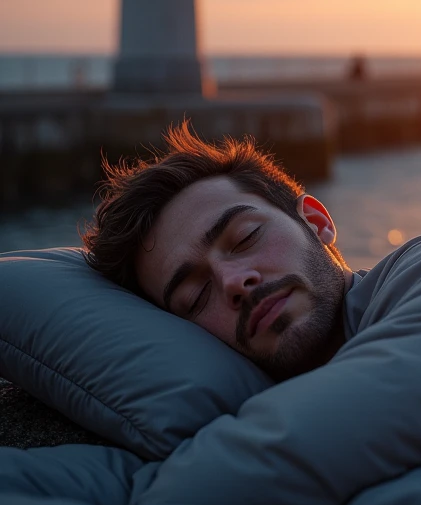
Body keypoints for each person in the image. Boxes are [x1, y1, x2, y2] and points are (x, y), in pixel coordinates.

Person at [82, 122, 355, 382]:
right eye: (196, 297)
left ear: (317, 221)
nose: (233, 281)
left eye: (246, 238)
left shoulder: (398, 288)